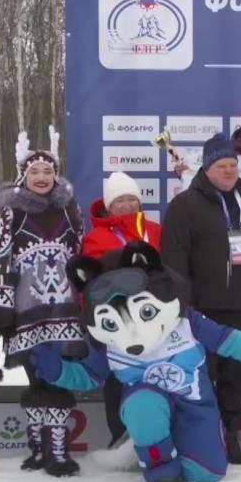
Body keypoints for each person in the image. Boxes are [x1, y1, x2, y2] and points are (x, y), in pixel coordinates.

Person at [35, 242, 241, 482]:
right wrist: (58, 372)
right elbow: (88, 376)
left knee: (207, 475)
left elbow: (231, 342)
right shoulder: (111, 345)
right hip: (148, 404)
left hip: (195, 405)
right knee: (143, 404)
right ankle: (157, 460)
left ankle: (170, 445)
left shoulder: (188, 322)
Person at [0, 127, 88, 477]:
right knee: (35, 374)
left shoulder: (70, 209)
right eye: (35, 172)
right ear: (23, 176)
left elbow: (83, 251)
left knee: (57, 376)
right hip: (27, 306)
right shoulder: (11, 212)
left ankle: (57, 448)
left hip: (64, 308)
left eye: (48, 172)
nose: (42, 178)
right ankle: (39, 445)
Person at [160, 133, 241, 466]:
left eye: (233, 165)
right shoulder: (185, 205)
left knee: (235, 378)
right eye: (222, 165)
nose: (229, 171)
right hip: (201, 310)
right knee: (201, 377)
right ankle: (202, 438)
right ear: (207, 168)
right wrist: (183, 307)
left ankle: (230, 436)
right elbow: (174, 260)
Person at [80, 170, 164, 449]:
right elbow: (93, 283)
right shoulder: (97, 237)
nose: (127, 205)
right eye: (120, 201)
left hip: (154, 319)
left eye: (132, 199)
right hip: (119, 322)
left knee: (156, 377)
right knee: (118, 377)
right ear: (109, 206)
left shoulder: (154, 230)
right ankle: (120, 437)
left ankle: (157, 436)